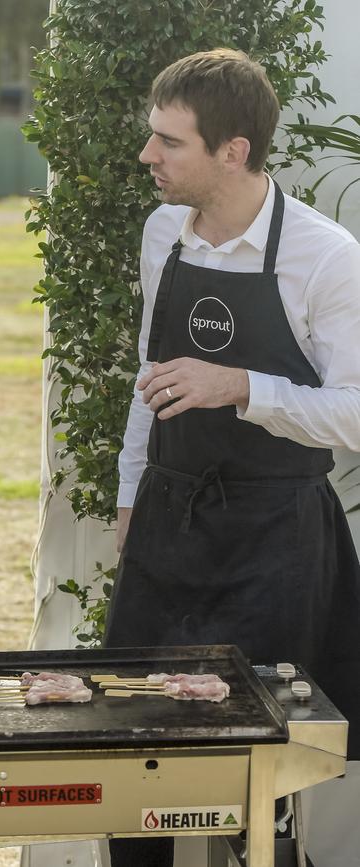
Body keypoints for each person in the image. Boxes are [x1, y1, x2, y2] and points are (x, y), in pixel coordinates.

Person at [104, 49, 360, 867]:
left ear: (234, 151)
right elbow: (153, 371)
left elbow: (355, 412)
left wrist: (241, 385)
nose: (149, 156)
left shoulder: (324, 257)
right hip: (169, 524)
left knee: (257, 781)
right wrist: (128, 491)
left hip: (275, 539)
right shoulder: (160, 233)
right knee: (130, 755)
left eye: (168, 142)